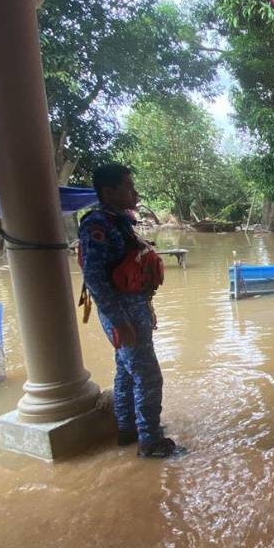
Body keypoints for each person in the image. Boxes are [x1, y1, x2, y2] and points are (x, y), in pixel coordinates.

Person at [78, 163, 177, 458]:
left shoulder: (119, 221)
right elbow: (94, 279)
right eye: (128, 186)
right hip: (122, 311)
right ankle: (151, 441)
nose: (135, 192)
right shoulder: (97, 226)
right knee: (148, 375)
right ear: (108, 192)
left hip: (134, 307)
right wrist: (119, 321)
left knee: (125, 371)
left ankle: (128, 429)